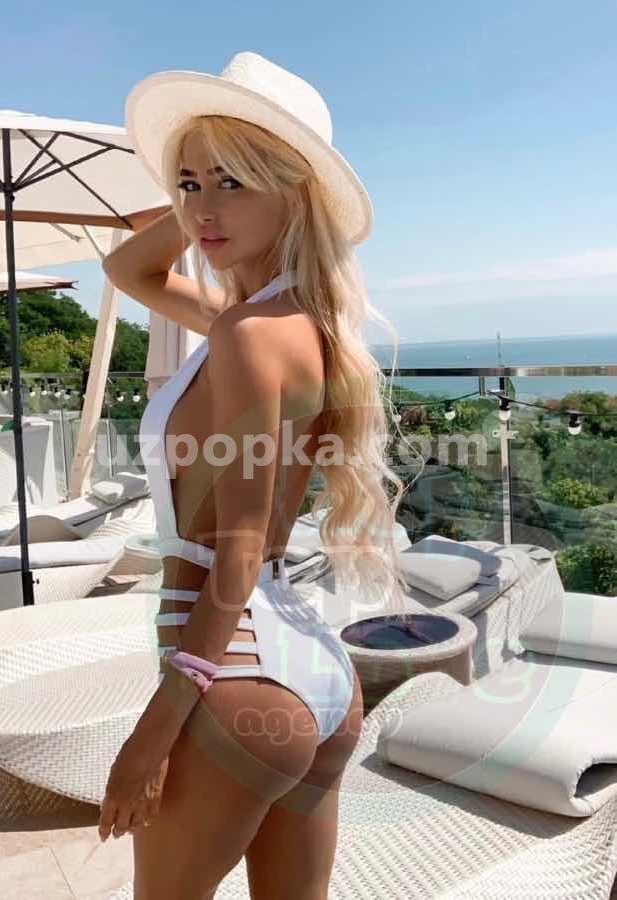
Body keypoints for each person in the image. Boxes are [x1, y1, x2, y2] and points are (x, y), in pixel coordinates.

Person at [99, 51, 407, 900]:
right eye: (189, 184)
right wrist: (203, 196)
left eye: (233, 181)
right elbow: (128, 272)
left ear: (294, 191)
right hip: (311, 666)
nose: (202, 208)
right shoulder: (300, 327)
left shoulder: (243, 335)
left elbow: (235, 551)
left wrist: (154, 732)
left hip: (232, 671)